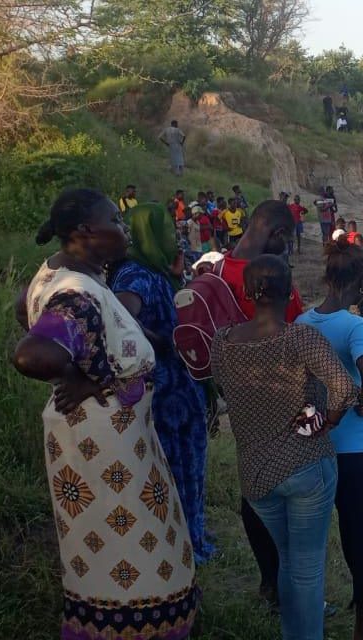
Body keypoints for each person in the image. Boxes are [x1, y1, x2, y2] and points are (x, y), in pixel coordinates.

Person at [12, 189, 200, 638]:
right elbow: (32, 353)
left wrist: (88, 362)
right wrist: (93, 379)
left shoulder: (60, 270)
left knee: (97, 553)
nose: (123, 229)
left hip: (96, 442)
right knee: (136, 555)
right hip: (107, 452)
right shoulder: (77, 292)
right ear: (85, 233)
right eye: (115, 221)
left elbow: (26, 308)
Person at [211, 255, 357, 640]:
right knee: (306, 568)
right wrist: (327, 421)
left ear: (245, 291)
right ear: (290, 291)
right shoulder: (301, 337)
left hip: (256, 477)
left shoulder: (222, 342)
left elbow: (225, 391)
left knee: (289, 561)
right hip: (307, 465)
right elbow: (345, 389)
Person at [297, 243, 363, 640]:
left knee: (314, 539)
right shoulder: (354, 326)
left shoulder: (302, 322)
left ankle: (309, 618)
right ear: (360, 281)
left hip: (318, 448)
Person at [110, 203, 216, 562]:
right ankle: (177, 544)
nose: (174, 235)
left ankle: (190, 534)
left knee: (189, 462)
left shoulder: (156, 269)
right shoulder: (134, 275)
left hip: (180, 384)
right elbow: (120, 320)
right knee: (172, 464)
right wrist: (161, 342)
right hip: (162, 387)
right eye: (165, 229)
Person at [213, 201, 304, 605]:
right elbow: (298, 337)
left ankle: (269, 580)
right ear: (278, 235)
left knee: (253, 491)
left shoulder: (214, 274)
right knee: (292, 502)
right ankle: (288, 586)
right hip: (284, 402)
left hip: (241, 404)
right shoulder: (278, 280)